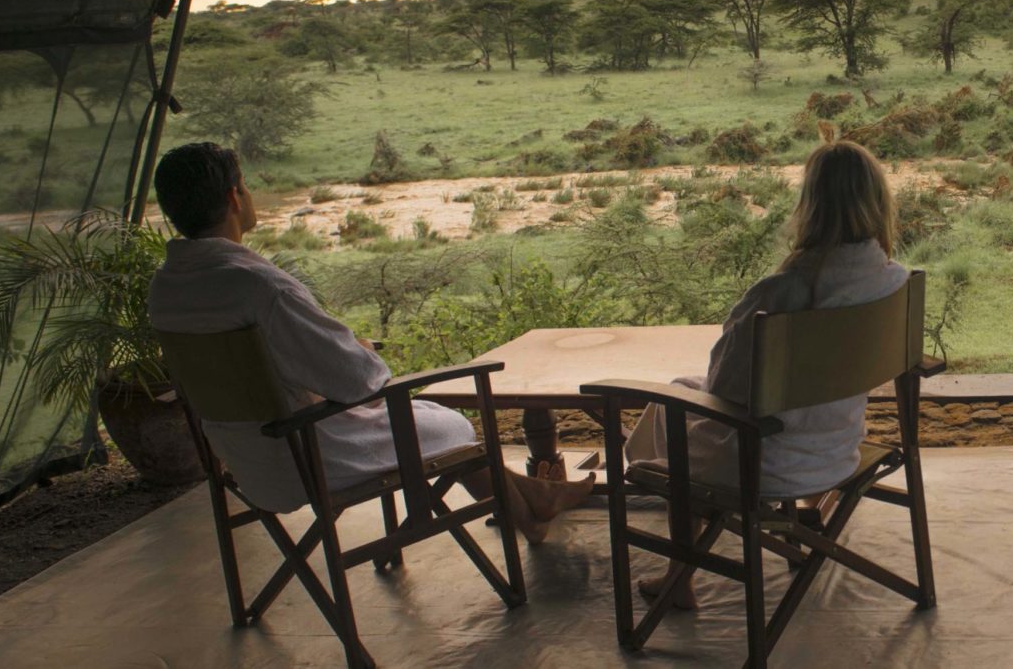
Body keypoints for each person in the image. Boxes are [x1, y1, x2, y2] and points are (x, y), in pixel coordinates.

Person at [145, 142, 591, 542]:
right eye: (245, 185)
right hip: (314, 458)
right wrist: (357, 349)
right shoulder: (259, 287)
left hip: (247, 462)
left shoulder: (166, 289)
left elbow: (249, 371)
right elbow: (360, 380)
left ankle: (531, 507)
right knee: (451, 427)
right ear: (233, 198)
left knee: (432, 427)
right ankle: (532, 506)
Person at [627, 139, 910, 609]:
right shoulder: (892, 282)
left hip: (767, 463)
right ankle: (776, 542)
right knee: (680, 392)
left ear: (810, 205)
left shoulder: (780, 295)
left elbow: (725, 391)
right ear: (878, 201)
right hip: (840, 448)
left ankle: (682, 576)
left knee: (671, 410)